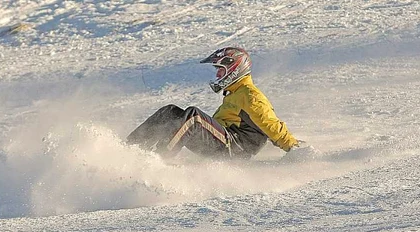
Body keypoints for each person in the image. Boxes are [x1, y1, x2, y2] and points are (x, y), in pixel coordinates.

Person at [127, 47, 299, 159]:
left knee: (193, 117)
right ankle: (127, 150)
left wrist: (294, 148)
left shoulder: (250, 95)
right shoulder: (235, 93)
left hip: (234, 151)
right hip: (225, 145)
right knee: (170, 112)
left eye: (220, 70)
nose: (217, 76)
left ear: (234, 69)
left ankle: (158, 160)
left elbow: (270, 123)